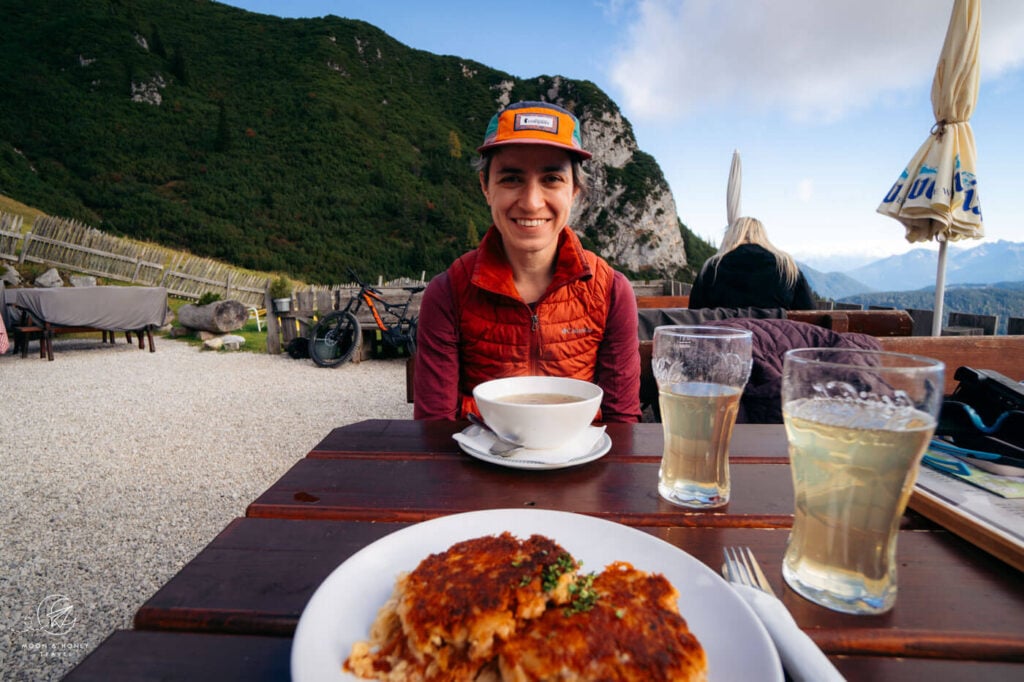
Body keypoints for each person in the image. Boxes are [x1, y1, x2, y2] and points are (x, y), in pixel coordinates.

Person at [414, 101, 641, 423]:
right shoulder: (448, 292)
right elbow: (435, 427)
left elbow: (622, 424)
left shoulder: (611, 291)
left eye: (551, 178)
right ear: (485, 187)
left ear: (575, 190)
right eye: (511, 179)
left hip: (582, 468)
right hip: (478, 466)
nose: (532, 202)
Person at [688, 216, 815, 311]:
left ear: (730, 236)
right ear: (763, 236)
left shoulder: (711, 269)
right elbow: (809, 313)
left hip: (724, 344)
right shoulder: (787, 267)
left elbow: (694, 316)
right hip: (777, 345)